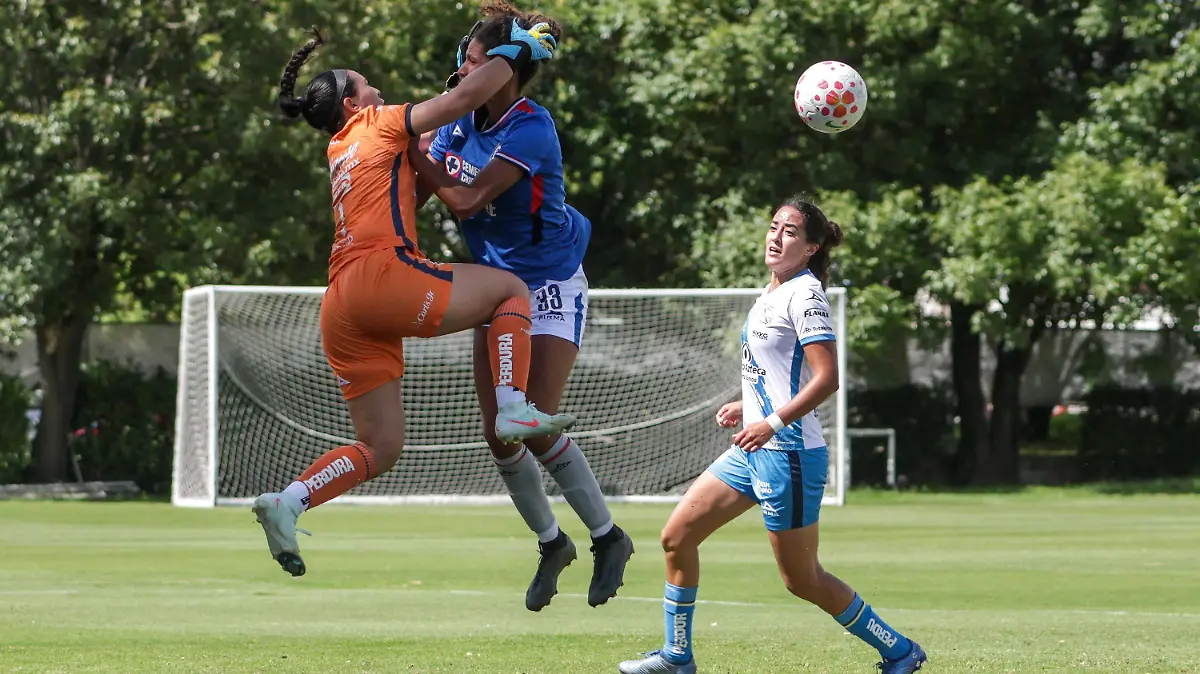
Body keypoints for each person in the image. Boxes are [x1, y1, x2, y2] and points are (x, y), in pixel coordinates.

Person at [251, 24, 576, 579]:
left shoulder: (339, 147)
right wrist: (516, 50)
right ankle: (513, 406)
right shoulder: (375, 123)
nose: (379, 91)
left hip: (341, 304)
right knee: (509, 290)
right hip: (383, 277)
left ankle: (291, 500)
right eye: (368, 86)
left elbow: (429, 176)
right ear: (352, 103)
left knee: (380, 446)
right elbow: (464, 98)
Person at [616, 197, 928, 674]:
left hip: (789, 454)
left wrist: (771, 421)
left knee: (802, 580)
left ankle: (900, 650)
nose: (776, 236)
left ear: (810, 249)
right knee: (677, 536)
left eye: (790, 231)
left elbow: (827, 378)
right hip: (753, 450)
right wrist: (748, 407)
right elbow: (783, 372)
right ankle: (677, 657)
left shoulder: (806, 295)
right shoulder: (772, 292)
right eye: (774, 226)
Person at [403, 0, 634, 612]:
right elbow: (424, 194)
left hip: (549, 285)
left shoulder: (531, 126)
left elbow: (469, 200)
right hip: (496, 289)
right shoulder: (458, 122)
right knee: (499, 436)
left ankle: (610, 537)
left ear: (505, 71)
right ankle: (552, 542)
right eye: (464, 60)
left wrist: (413, 149)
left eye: (477, 63)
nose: (463, 72)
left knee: (527, 421)